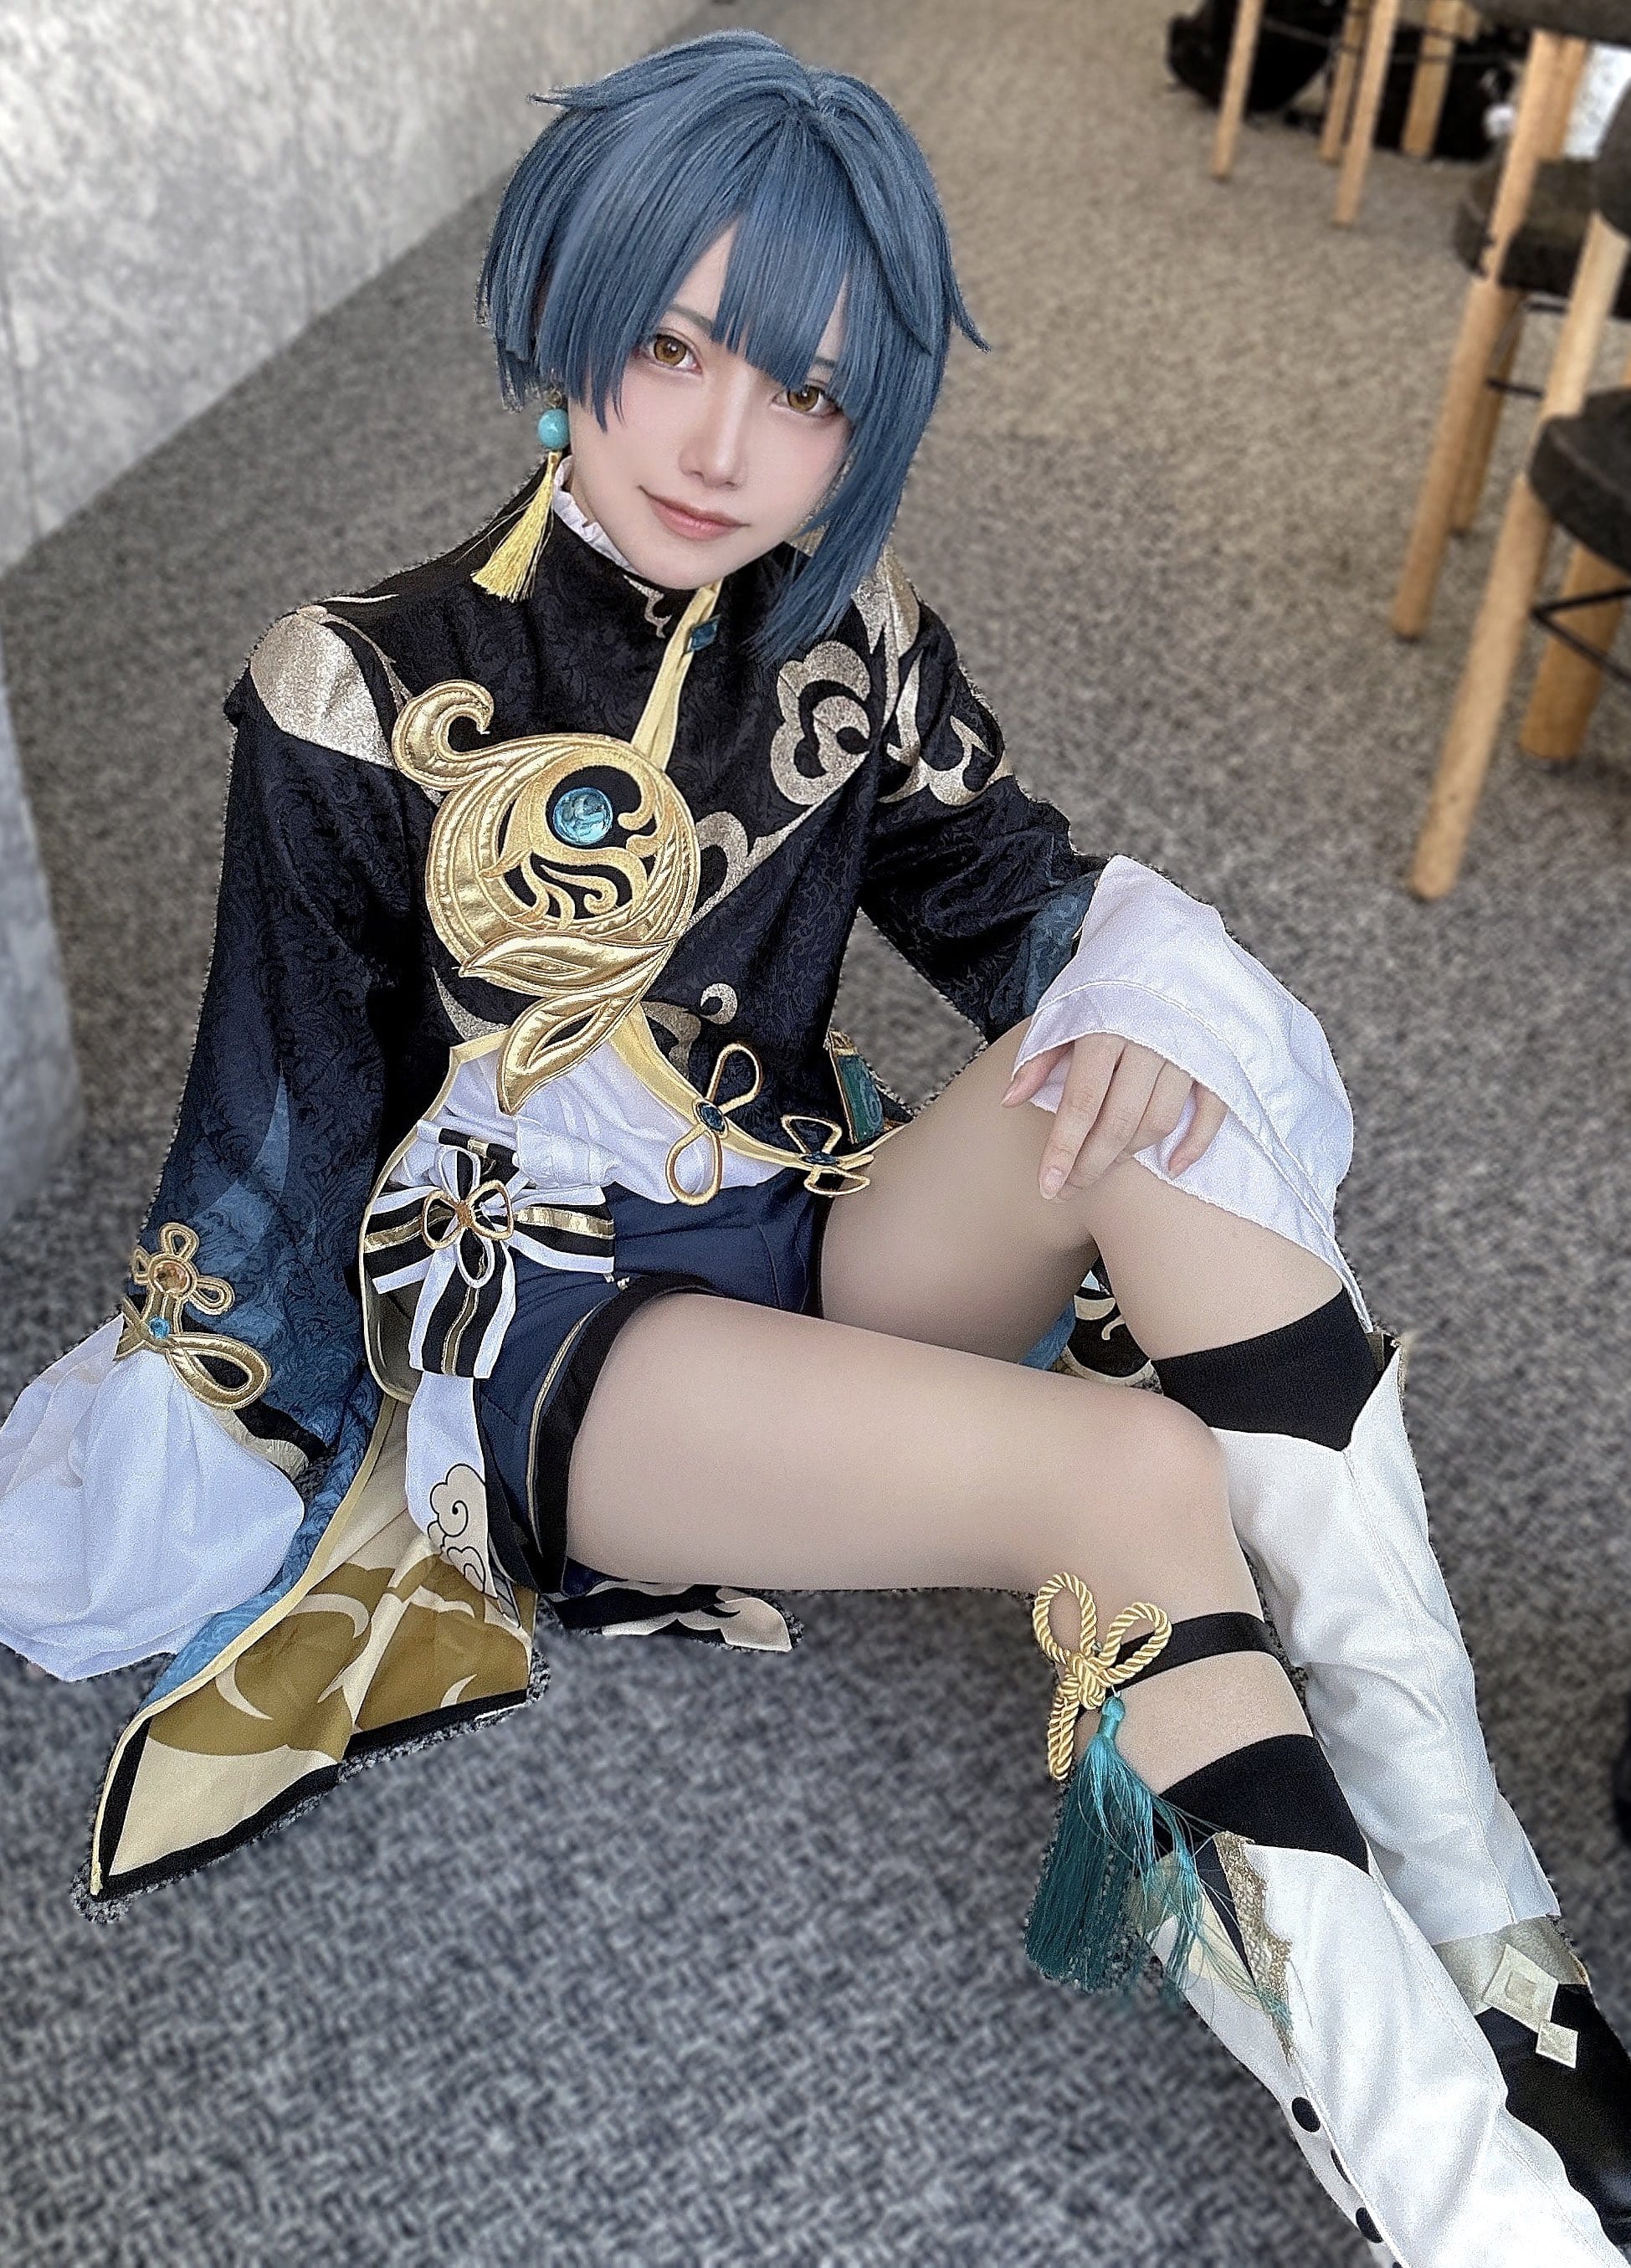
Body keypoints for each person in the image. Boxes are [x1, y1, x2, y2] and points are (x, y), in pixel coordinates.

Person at [1, 27, 1627, 2260]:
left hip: (804, 1218)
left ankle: (1499, 1943)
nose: (722, 443)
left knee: (1166, 1076)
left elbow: (1024, 909)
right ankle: (1468, 2192)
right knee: (1136, 1477)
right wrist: (200, 1453)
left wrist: (1131, 1014)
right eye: (670, 347)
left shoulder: (846, 628)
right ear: (569, 312)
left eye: (809, 390)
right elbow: (268, 1138)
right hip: (561, 1338)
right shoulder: (354, 684)